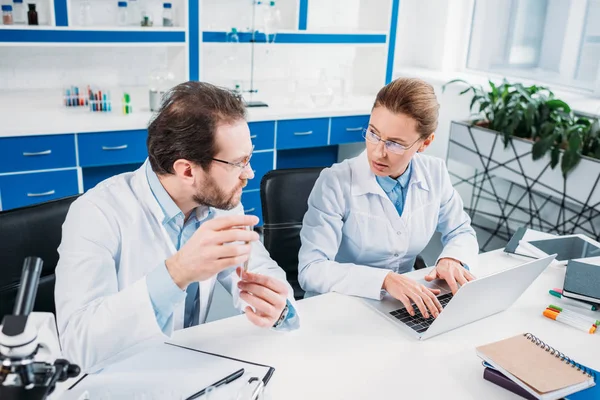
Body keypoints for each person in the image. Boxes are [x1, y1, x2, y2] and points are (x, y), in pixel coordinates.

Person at [55, 81, 299, 373]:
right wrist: (177, 273)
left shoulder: (222, 201)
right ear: (186, 170)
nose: (249, 173)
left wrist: (277, 307)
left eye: (249, 158)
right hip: (121, 378)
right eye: (238, 163)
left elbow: (259, 270)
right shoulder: (97, 214)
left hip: (190, 369)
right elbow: (78, 345)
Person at [298, 77, 478, 319]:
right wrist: (384, 280)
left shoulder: (435, 172)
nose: (378, 151)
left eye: (395, 143)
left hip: (402, 306)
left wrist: (452, 258)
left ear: (425, 143)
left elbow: (461, 231)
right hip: (340, 305)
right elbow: (311, 270)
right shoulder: (335, 182)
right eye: (373, 133)